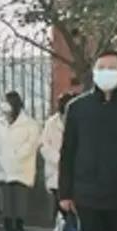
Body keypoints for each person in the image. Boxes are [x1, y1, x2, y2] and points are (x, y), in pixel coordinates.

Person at [59, 50, 117, 231]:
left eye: (112, 68)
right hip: (87, 199)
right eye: (101, 68)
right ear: (94, 72)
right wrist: (65, 193)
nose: (106, 72)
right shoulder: (77, 108)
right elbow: (68, 152)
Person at [0, 91, 42, 231]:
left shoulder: (30, 124)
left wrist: (17, 156)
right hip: (2, 167)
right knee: (5, 200)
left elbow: (32, 143)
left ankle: (19, 228)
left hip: (21, 168)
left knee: (19, 199)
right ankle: (7, 227)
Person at [39, 92, 75, 220]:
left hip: (74, 175)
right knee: (58, 211)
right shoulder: (51, 123)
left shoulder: (79, 121)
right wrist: (58, 159)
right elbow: (44, 146)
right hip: (55, 173)